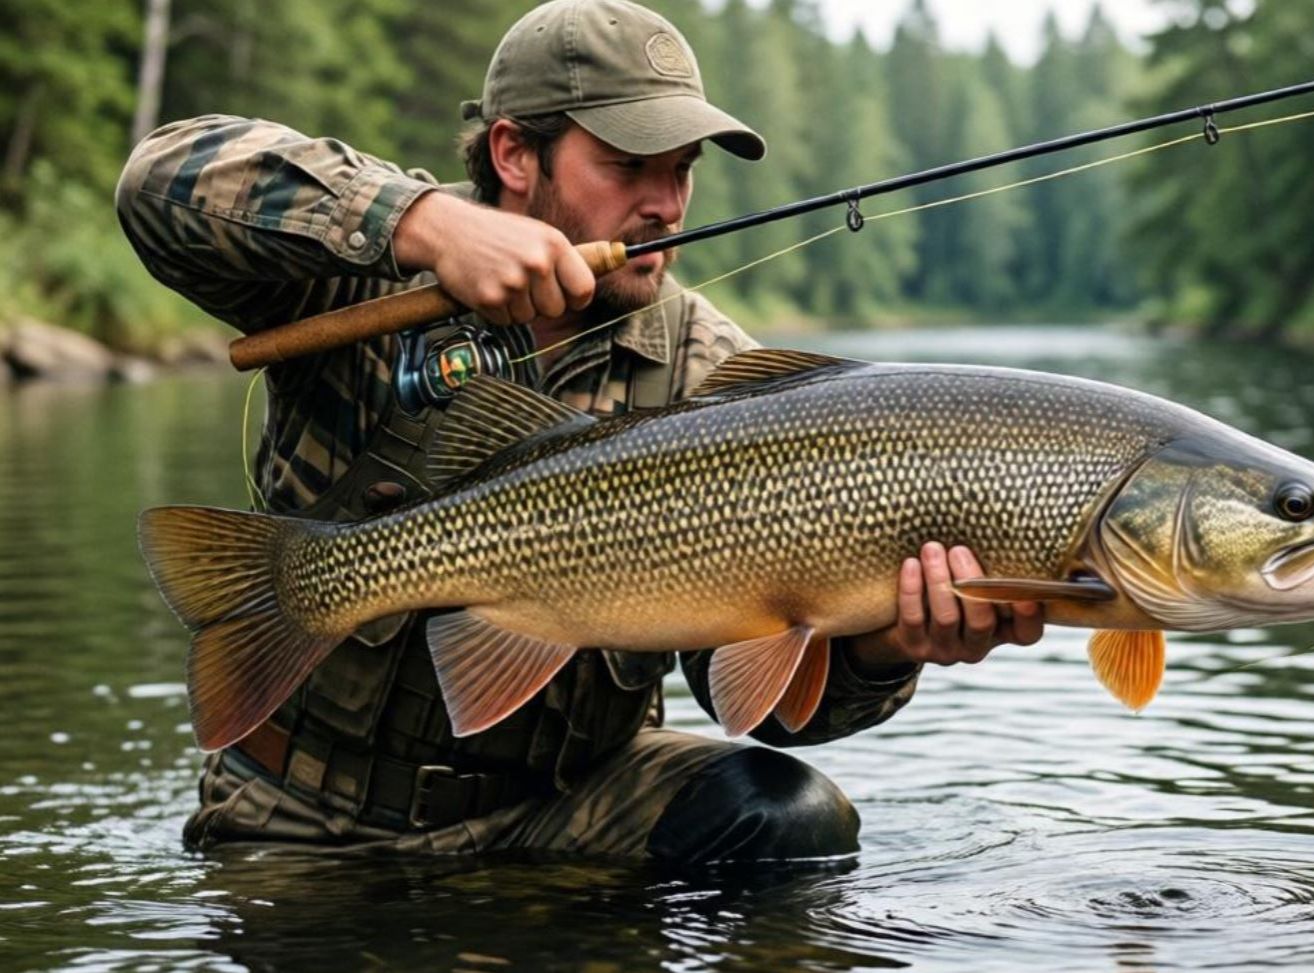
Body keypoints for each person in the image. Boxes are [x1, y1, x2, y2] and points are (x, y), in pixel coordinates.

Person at [116, 0, 1045, 864]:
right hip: (309, 818)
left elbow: (759, 704)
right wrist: (422, 223)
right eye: (630, 167)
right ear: (516, 156)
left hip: (567, 808)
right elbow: (159, 181)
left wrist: (887, 649)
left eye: (683, 170)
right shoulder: (357, 269)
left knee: (795, 821)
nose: (669, 205)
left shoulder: (714, 376)